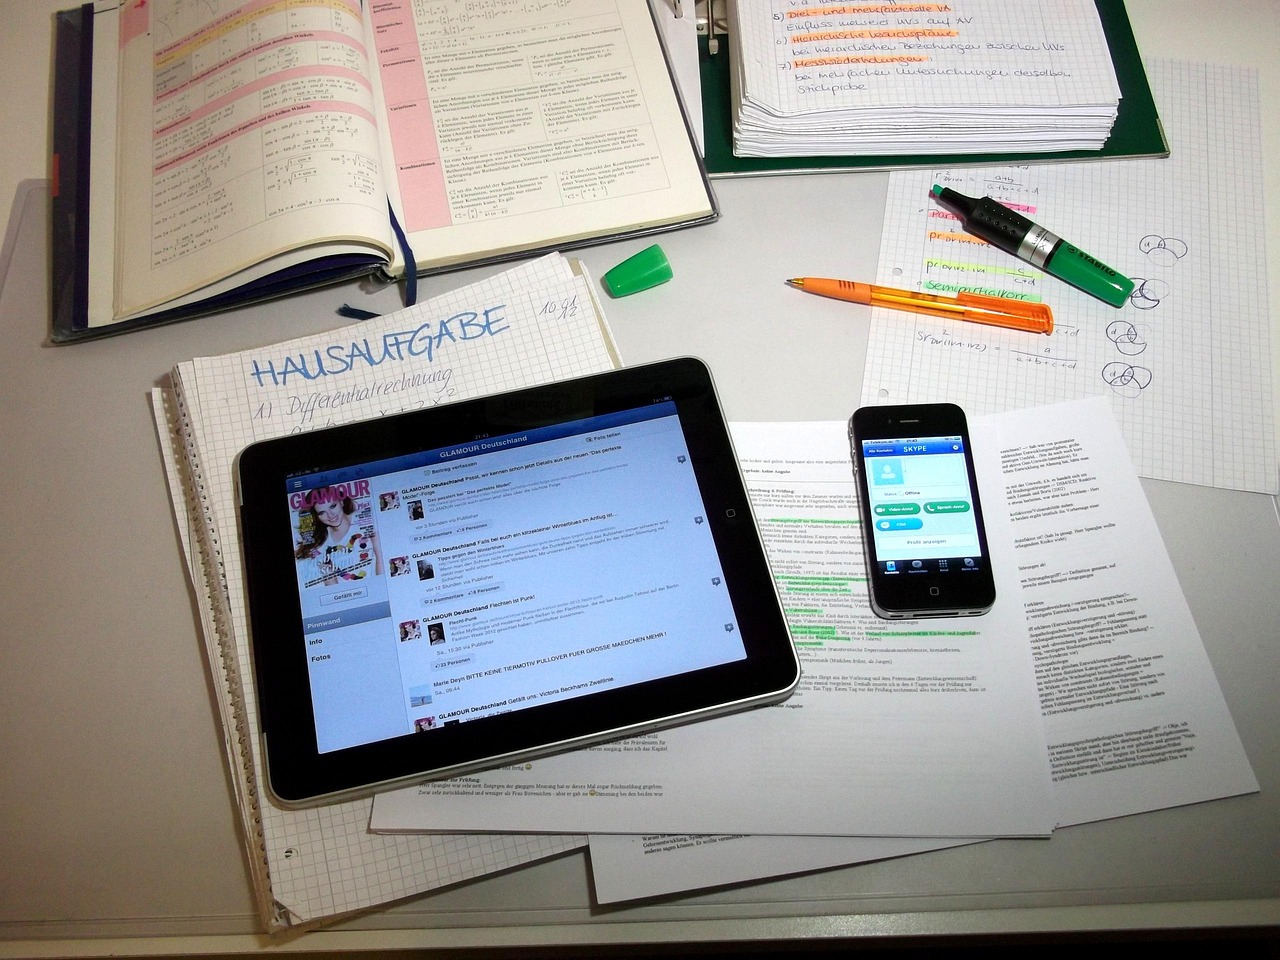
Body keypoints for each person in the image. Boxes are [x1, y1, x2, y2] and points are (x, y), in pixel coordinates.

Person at [295, 487, 383, 587]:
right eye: (322, 513)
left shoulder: (366, 517)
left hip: (377, 587)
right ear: (317, 517)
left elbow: (381, 558)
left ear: (341, 502)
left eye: (333, 506)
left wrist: (379, 588)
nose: (330, 515)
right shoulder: (320, 545)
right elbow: (331, 584)